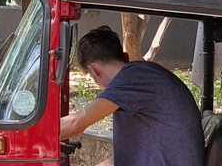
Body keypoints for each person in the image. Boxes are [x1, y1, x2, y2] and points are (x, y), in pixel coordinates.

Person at [60, 25, 205, 166]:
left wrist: (38, 133)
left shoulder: (132, 77)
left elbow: (75, 124)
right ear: (125, 56)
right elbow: (123, 158)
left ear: (94, 71)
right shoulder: (141, 77)